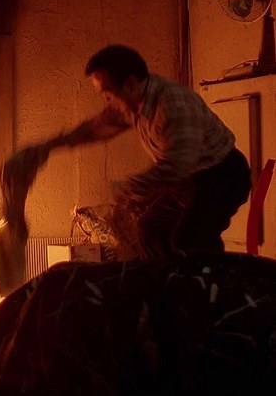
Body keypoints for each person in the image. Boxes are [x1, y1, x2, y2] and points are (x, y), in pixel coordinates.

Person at [15, 44, 252, 260]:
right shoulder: (133, 101)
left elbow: (179, 164)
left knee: (189, 239)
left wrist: (133, 186)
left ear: (130, 83)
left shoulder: (173, 105)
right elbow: (97, 128)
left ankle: (211, 286)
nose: (107, 100)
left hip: (221, 176)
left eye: (108, 92)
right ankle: (165, 283)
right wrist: (48, 147)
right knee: (151, 228)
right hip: (187, 180)